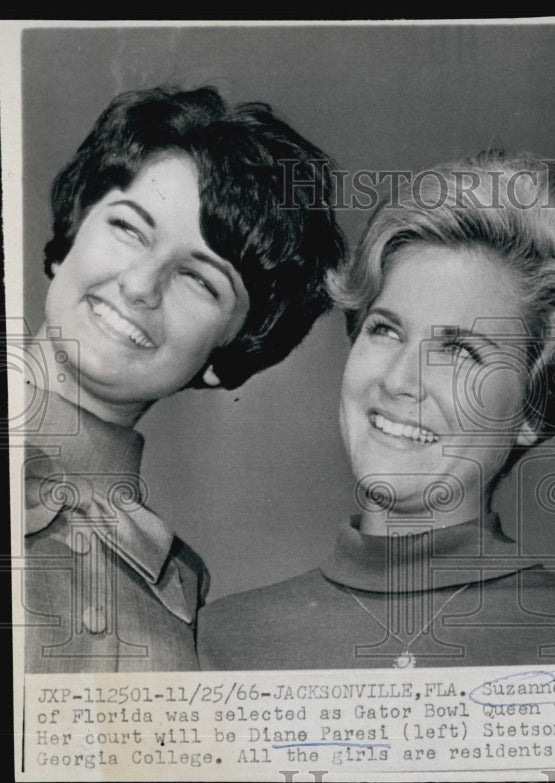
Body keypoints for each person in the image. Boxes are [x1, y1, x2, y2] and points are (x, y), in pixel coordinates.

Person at [198, 150, 555, 669]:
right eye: (385, 330)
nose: (400, 381)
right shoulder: (220, 642)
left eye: (460, 350)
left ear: (533, 409)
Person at [19, 86, 346, 672]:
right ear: (69, 236)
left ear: (227, 355)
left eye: (200, 280)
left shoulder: (179, 589)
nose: (141, 286)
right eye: (128, 228)